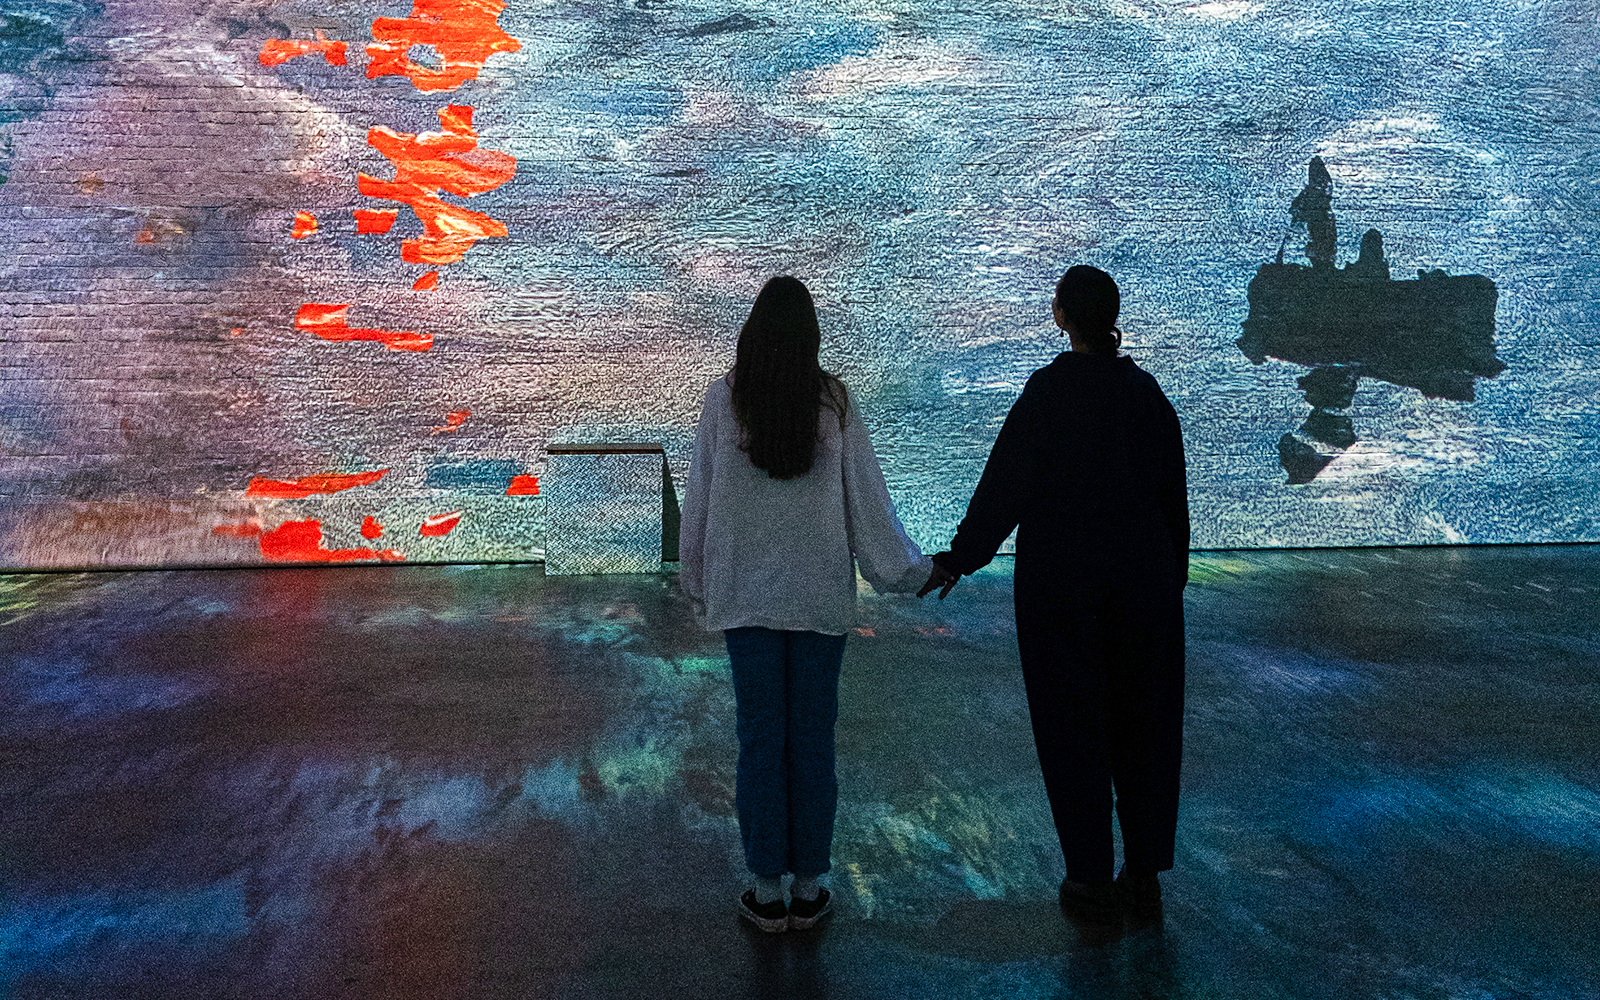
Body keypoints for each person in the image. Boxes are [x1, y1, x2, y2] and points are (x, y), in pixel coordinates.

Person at [920, 265, 1189, 925]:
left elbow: (1006, 485)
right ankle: (1145, 873)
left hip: (1061, 591)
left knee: (1073, 726)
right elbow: (1173, 504)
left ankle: (1090, 876)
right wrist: (1168, 580)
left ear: (1061, 315)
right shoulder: (1148, 396)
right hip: (1144, 589)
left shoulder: (1047, 394)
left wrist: (962, 558)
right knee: (1145, 726)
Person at [678, 275, 931, 933]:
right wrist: (909, 572)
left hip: (744, 599)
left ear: (752, 334)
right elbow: (869, 508)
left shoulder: (723, 401)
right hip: (818, 600)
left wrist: (698, 581)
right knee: (812, 741)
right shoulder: (834, 405)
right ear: (812, 338)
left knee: (760, 740)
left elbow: (699, 502)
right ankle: (811, 884)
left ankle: (765, 890)